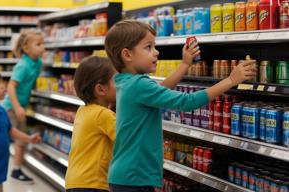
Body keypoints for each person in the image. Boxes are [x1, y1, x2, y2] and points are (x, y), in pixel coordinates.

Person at [104, 20, 257, 192]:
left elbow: (160, 90)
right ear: (127, 55)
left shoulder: (126, 81)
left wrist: (185, 64)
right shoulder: (139, 85)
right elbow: (187, 102)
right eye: (148, 47)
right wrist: (231, 80)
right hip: (134, 177)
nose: (156, 52)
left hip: (127, 174)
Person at [65, 56, 116, 192]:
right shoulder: (103, 115)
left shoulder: (83, 110)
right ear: (100, 89)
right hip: (92, 184)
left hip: (75, 181)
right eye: (117, 80)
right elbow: (127, 140)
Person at [3, 29, 45, 184]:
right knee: (20, 141)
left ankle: (16, 168)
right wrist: (18, 107)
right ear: (26, 49)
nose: (43, 47)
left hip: (21, 106)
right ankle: (16, 171)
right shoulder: (23, 65)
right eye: (38, 44)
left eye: (43, 43)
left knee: (19, 140)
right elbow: (11, 87)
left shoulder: (38, 62)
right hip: (12, 108)